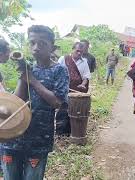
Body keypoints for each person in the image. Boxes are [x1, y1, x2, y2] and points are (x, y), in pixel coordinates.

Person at [0, 25, 69, 180]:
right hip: (11, 138)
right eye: (32, 43)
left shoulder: (59, 70)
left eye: (42, 43)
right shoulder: (28, 68)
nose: (36, 47)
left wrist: (33, 80)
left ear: (53, 47)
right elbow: (16, 101)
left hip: (38, 141)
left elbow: (57, 102)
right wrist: (24, 74)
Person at [56, 42, 91, 136]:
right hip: (64, 89)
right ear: (72, 49)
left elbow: (86, 77)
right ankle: (60, 132)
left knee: (75, 111)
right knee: (63, 110)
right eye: (77, 51)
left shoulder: (84, 62)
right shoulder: (64, 59)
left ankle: (72, 131)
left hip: (77, 91)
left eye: (81, 52)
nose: (79, 53)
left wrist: (83, 85)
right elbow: (57, 72)